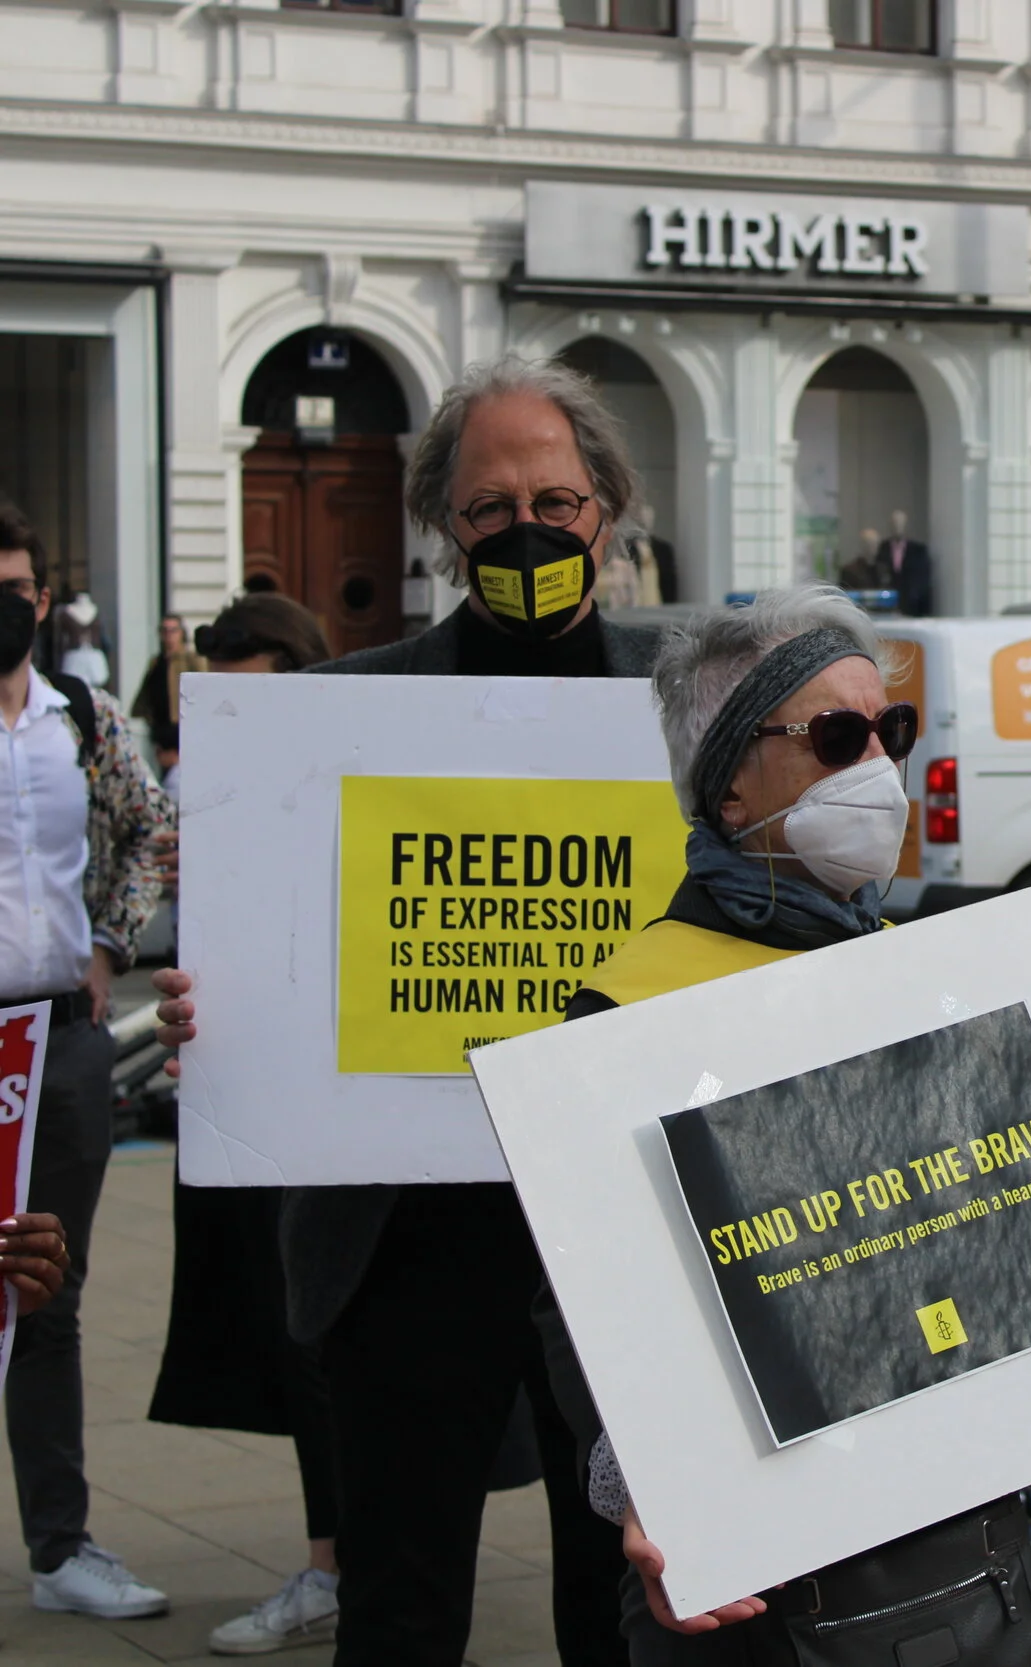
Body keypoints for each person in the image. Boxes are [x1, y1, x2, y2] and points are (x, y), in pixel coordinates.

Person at [523, 585, 1031, 1659]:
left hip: (978, 1566)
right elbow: (580, 1310)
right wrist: (653, 1481)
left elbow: (1008, 1219)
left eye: (890, 730)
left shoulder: (936, 976)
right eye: (833, 736)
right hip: (778, 1608)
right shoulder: (628, 1011)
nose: (878, 767)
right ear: (727, 785)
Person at [153, 355, 666, 1666]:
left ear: (607, 507)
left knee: (627, 1603)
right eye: (491, 509)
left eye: (556, 497)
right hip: (406, 1238)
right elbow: (270, 948)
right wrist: (217, 1003)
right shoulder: (332, 715)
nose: (528, 531)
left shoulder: (691, 704)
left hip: (625, 1226)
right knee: (400, 1606)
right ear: (446, 525)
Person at [143, 594, 349, 1656]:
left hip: (347, 1116)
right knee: (290, 1330)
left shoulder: (346, 796)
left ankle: (340, 1563)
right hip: (254, 1100)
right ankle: (335, 1558)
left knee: (332, 1337)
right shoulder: (217, 801)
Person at [0, 500, 175, 1618]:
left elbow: (152, 829)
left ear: (43, 598)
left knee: (46, 1296)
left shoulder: (81, 717)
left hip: (57, 1036)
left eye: (15, 586)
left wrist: (112, 941)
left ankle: (61, 1547)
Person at [131, 613, 201, 785]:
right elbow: (144, 698)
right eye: (165, 631)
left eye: (173, 631)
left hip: (184, 728)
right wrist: (150, 721)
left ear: (181, 633)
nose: (169, 636)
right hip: (162, 730)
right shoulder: (156, 662)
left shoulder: (191, 660)